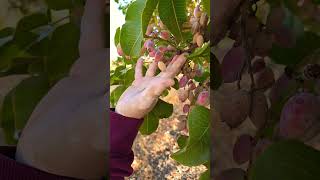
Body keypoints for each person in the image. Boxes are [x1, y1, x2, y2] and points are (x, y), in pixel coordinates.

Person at [0, 0, 187, 179]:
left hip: (31, 160)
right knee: (106, 119)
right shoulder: (102, 76)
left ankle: (124, 113)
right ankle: (125, 114)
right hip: (53, 161)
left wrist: (93, 5)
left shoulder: (91, 58)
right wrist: (125, 116)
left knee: (104, 118)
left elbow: (88, 33)